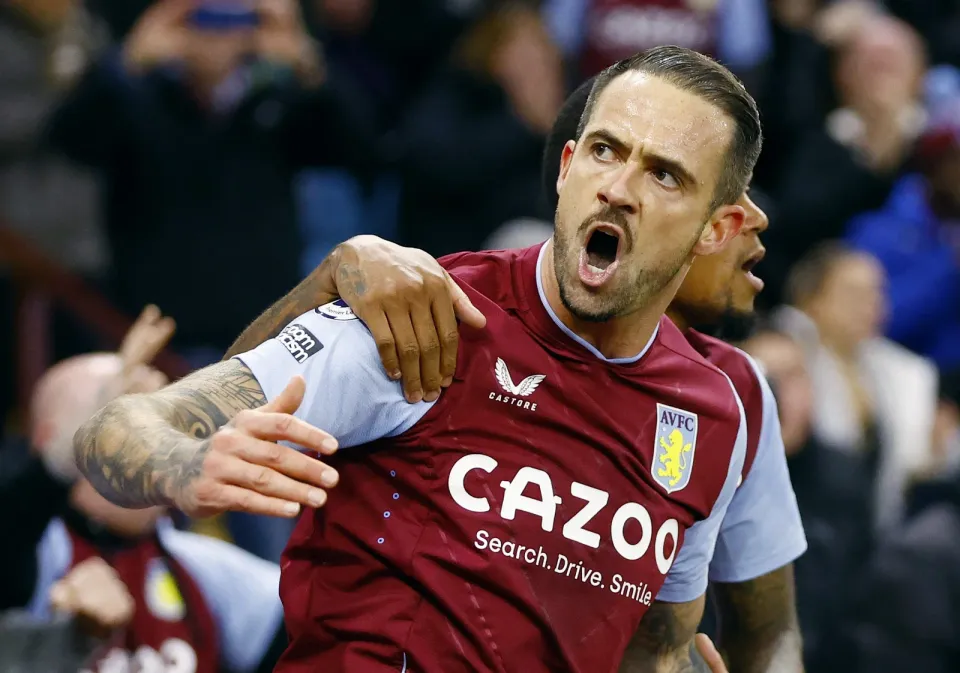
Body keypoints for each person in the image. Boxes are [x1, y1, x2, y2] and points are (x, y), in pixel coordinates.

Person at [75, 46, 763, 672]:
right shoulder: (424, 316)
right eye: (606, 152)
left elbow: (656, 645)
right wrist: (188, 463)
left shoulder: (711, 415)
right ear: (565, 166)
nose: (618, 188)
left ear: (718, 228)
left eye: (665, 174)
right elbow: (113, 430)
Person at [1, 308, 286, 673]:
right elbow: (11, 532)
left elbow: (315, 622)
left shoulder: (197, 565)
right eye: (120, 426)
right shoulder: (39, 552)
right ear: (49, 442)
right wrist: (59, 461)